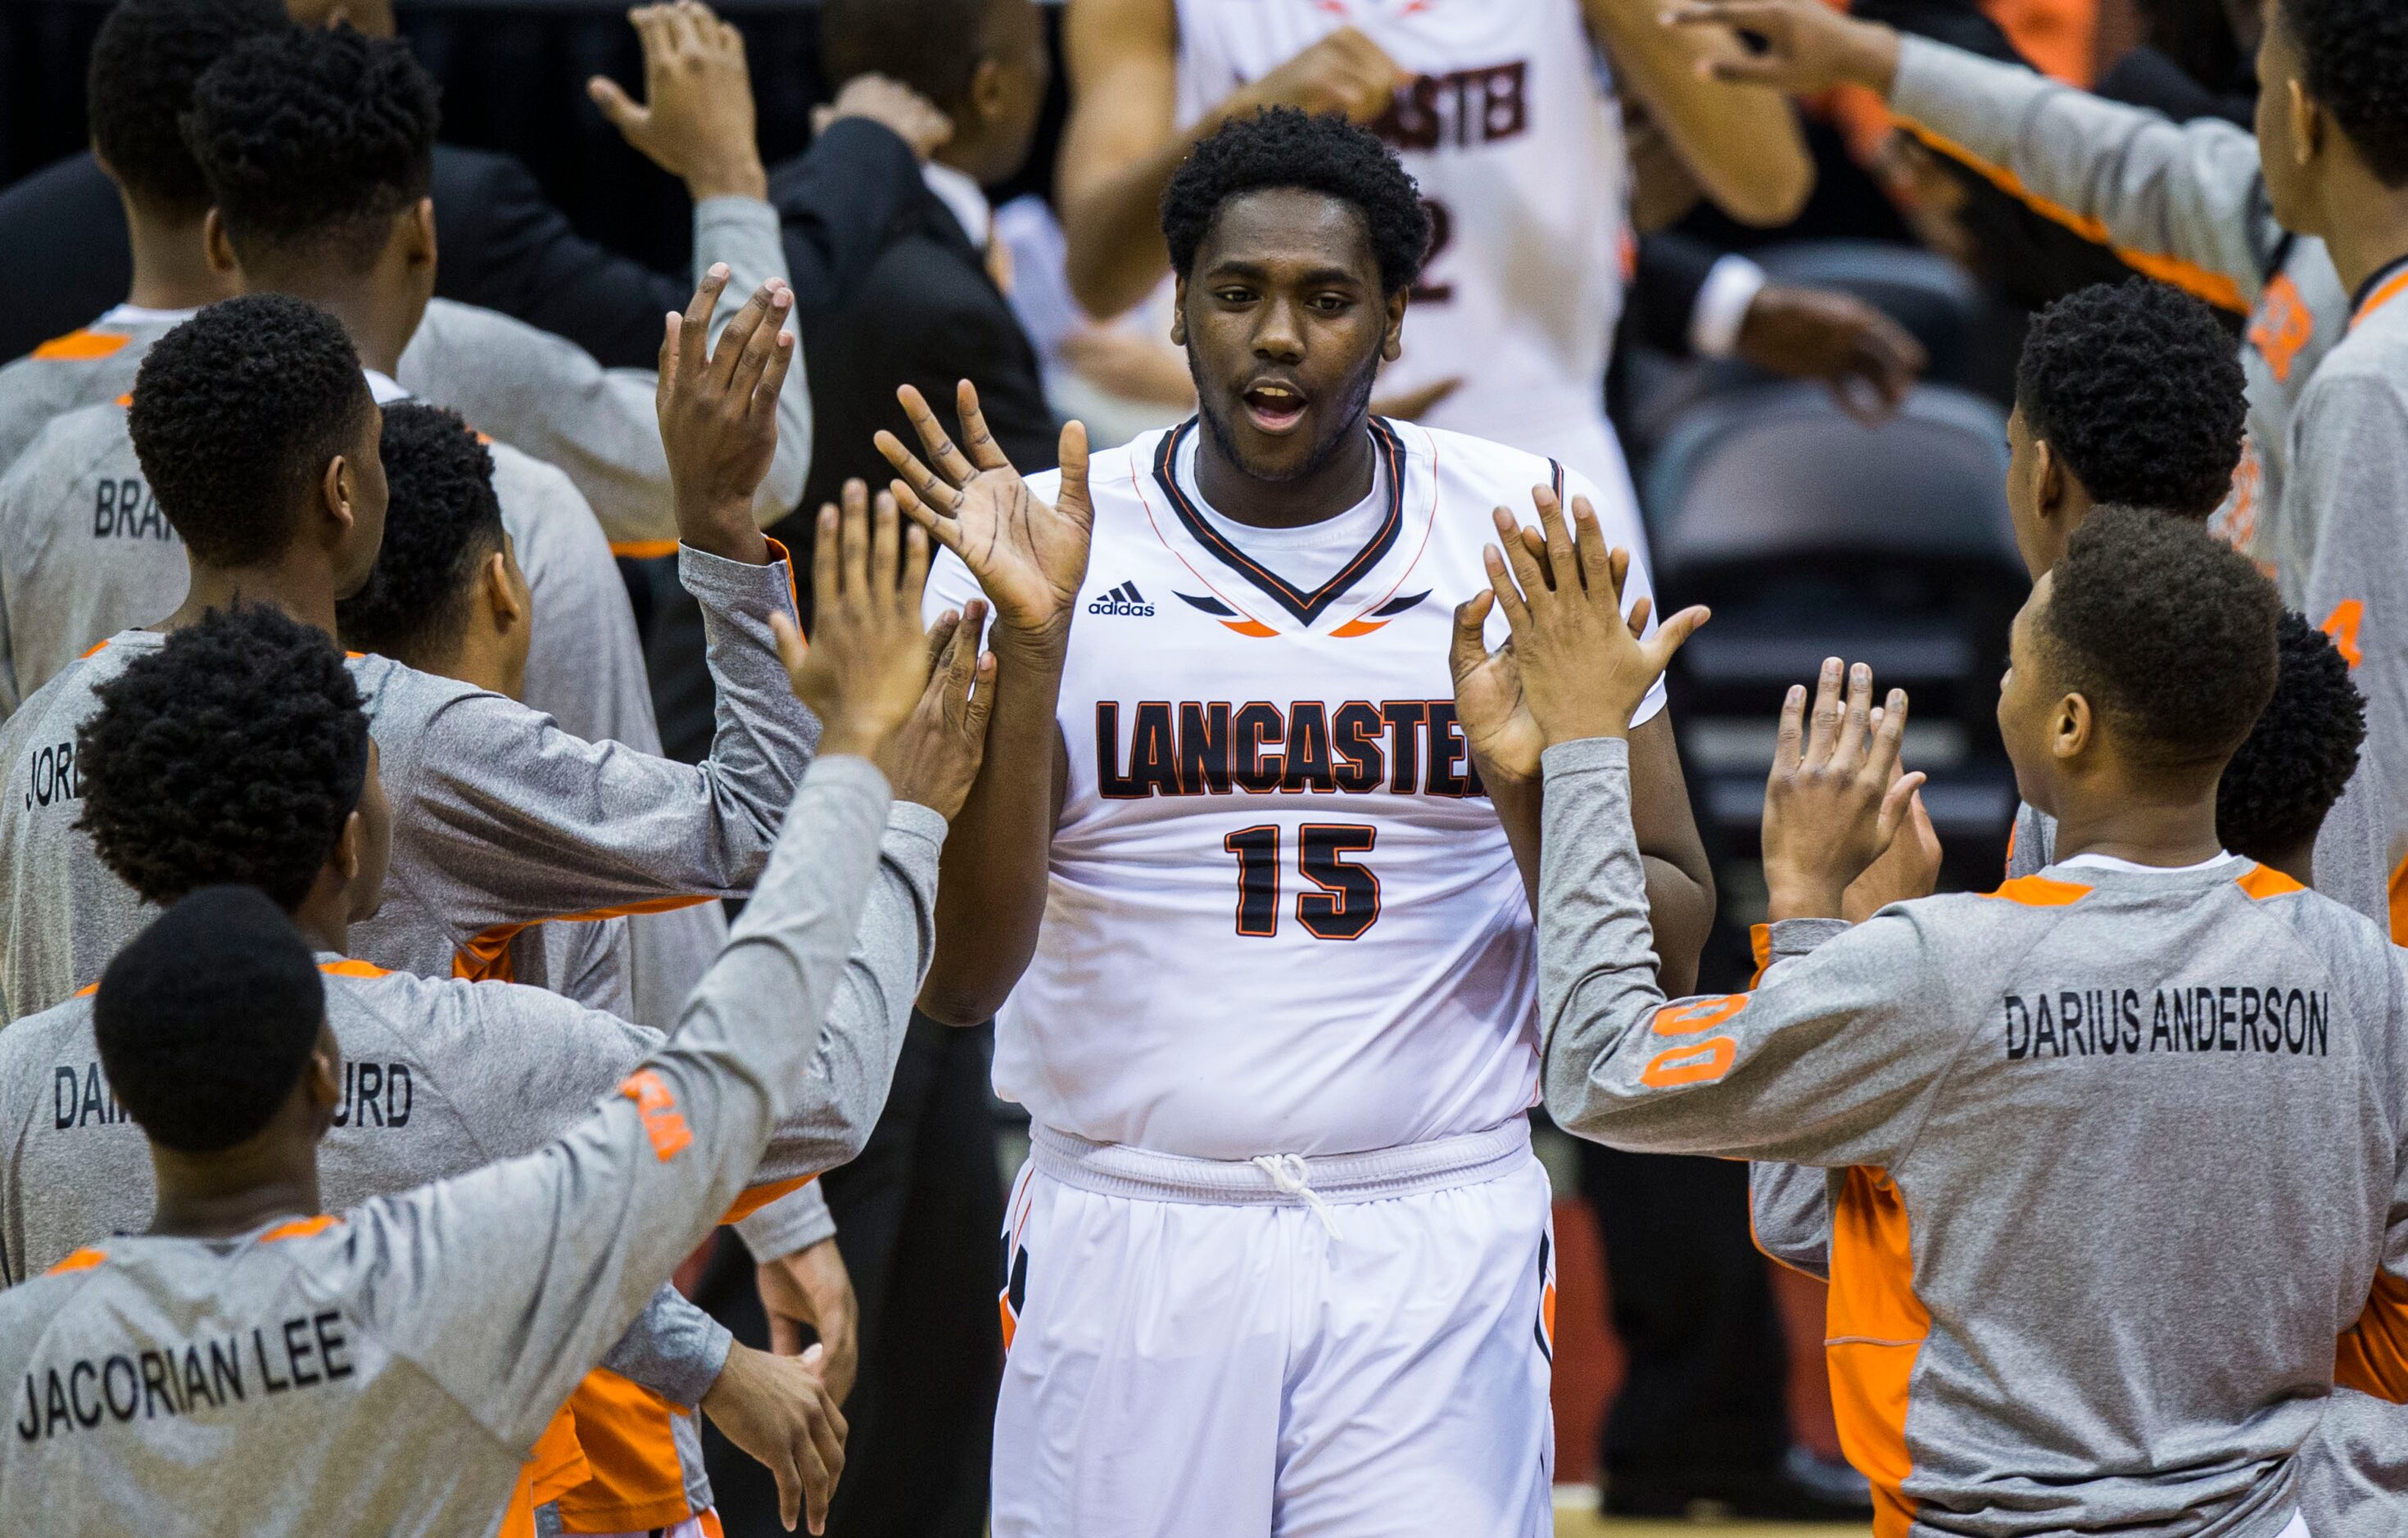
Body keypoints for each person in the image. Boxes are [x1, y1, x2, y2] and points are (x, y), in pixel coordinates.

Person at [881, 109, 1714, 1536]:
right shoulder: (1028, 540)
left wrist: (1527, 780)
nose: (1279, 335)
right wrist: (1031, 648)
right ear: (1180, 303)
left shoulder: (1526, 523)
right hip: (1126, 1226)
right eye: (1237, 292)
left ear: (1394, 315)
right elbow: (959, 979)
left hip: (1431, 1230)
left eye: (1328, 298)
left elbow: (1674, 942)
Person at [3, 522, 984, 1537]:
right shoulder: (453, 1207)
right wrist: (880, 792)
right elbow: (780, 1079)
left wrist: (712, 1363)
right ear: (321, 1081)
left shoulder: (22, 1155)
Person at [1488, 500, 2408, 1536]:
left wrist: (1585, 748)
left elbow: (1600, 1063)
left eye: (2014, 666)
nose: (1999, 685)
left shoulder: (1945, 970)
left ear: (2069, 724)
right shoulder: (2373, 980)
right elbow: (1803, 1214)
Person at [0, 278, 808, 1024]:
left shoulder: (31, 735)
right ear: (342, 491)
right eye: (379, 448)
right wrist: (718, 517)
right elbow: (756, 819)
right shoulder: (415, 737)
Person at [1751, 610, 2400, 1538]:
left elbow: (1799, 1215)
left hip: (1976, 1503)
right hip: (2291, 1501)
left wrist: (1826, 935)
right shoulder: (2369, 987)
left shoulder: (1975, 971)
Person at [751, 3, 1049, 1530]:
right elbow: (1040, 563)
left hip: (843, 781)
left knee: (932, 1228)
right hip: (885, 792)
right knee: (857, 1209)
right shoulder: (938, 295)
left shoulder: (827, 246)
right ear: (995, 86)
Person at [1052, 0, 1813, 565]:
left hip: (1532, 453)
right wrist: (1247, 116)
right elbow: (1095, 272)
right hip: (1267, 462)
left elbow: (1770, 184)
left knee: (1589, 780)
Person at [0, 0, 951, 373]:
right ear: (416, 243)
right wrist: (734, 169)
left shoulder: (20, 237)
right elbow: (731, 376)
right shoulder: (450, 216)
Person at [1989, 278, 2392, 930]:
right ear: (2226, 471)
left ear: (2043, 475)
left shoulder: (2075, 707)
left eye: (2012, 448)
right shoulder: (2316, 685)